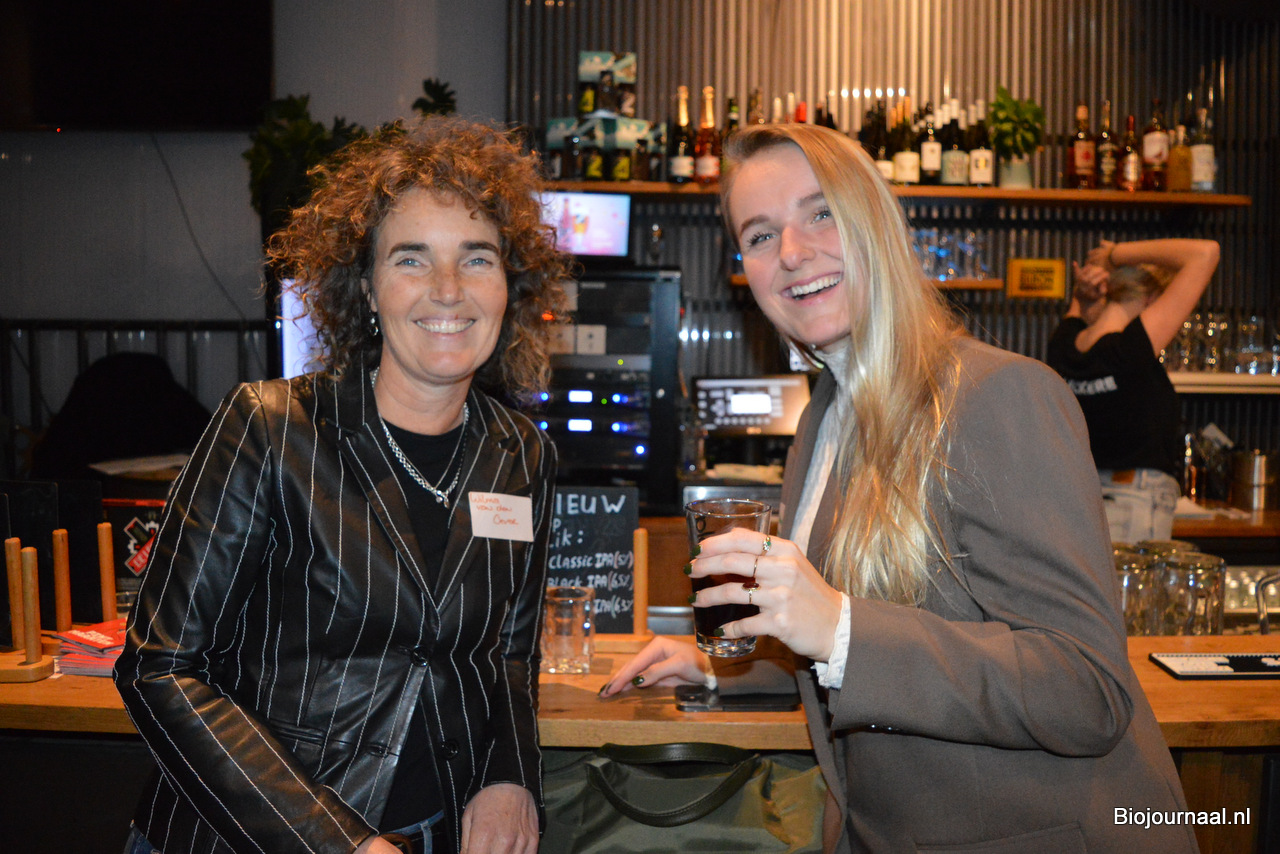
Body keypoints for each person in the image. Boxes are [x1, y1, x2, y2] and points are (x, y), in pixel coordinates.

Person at [600, 124, 1197, 853]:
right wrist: (726, 669)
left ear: (878, 224)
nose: (792, 253)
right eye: (759, 235)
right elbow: (862, 650)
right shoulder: (825, 415)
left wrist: (838, 627)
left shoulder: (997, 394)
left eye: (821, 213)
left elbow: (1085, 688)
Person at [114, 116, 569, 854]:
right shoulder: (269, 428)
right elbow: (162, 669)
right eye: (412, 259)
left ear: (509, 286)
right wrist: (336, 843)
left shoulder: (521, 453)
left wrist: (509, 775)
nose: (448, 290)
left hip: (433, 833)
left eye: (477, 258)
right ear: (366, 288)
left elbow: (508, 655)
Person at [1046, 238, 1220, 543]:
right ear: (1152, 299)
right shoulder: (1131, 347)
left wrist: (1085, 293)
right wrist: (1114, 255)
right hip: (1135, 498)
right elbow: (1207, 252)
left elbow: (1079, 305)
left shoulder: (1062, 346)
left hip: (1078, 497)